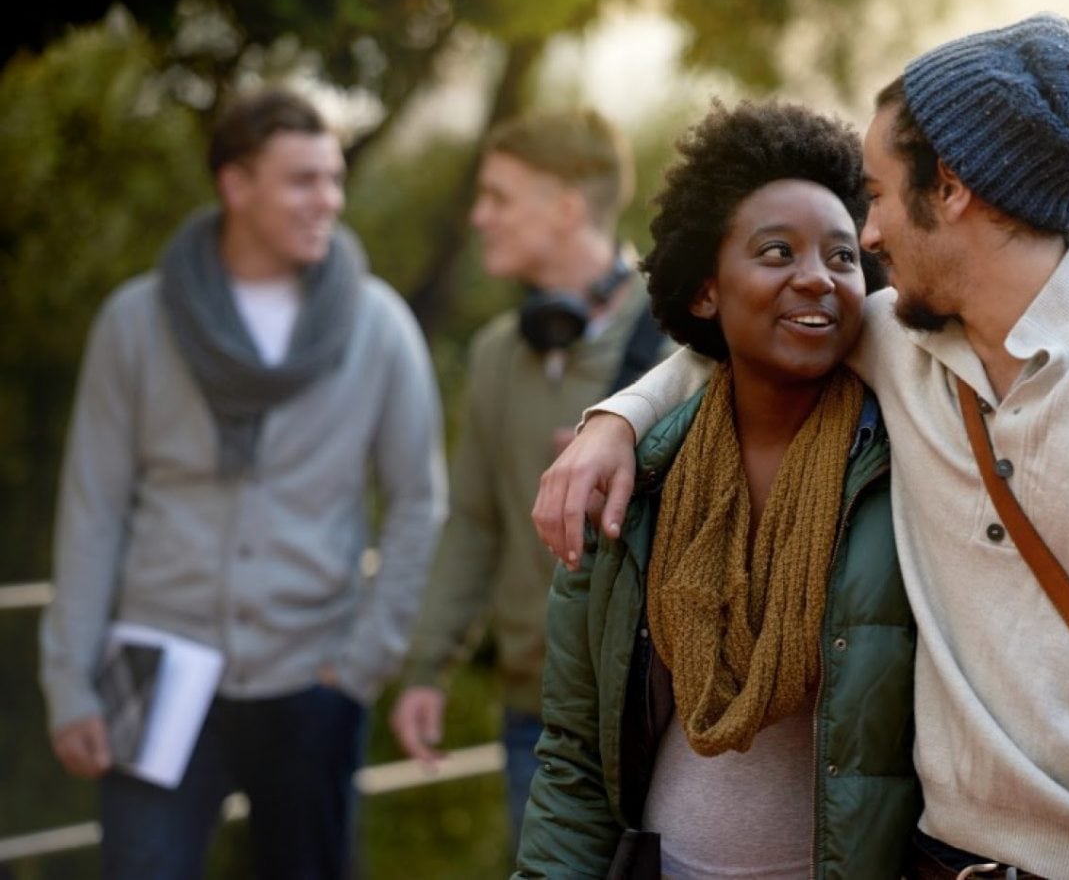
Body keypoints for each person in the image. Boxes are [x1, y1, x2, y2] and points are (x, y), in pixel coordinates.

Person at [533, 13, 1069, 877]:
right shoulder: (894, 342)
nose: (864, 239)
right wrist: (615, 421)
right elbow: (742, 335)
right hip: (939, 863)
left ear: (950, 188)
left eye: (872, 194)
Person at [39, 87, 447, 878]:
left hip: (312, 674)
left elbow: (418, 501)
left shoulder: (376, 324)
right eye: (302, 179)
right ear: (235, 184)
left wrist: (363, 661)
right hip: (151, 667)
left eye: (333, 178)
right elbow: (92, 510)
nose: (328, 199)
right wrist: (71, 684)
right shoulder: (136, 321)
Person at [515, 99, 920, 879]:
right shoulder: (635, 483)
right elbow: (574, 751)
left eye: (841, 256)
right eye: (776, 253)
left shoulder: (898, 463)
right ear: (706, 290)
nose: (816, 278)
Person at [389, 108, 671, 848]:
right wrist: (427, 666)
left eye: (500, 197)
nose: (479, 216)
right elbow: (474, 522)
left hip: (666, 720)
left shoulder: (686, 334)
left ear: (568, 206)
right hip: (537, 719)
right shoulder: (493, 355)